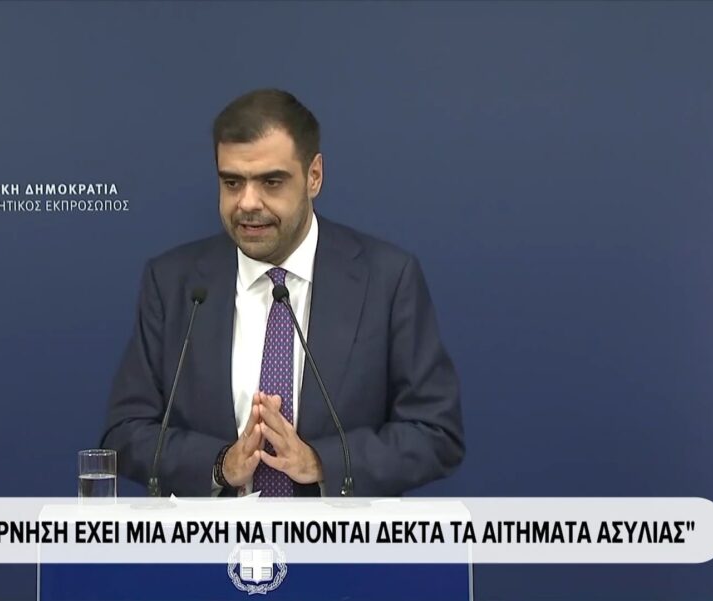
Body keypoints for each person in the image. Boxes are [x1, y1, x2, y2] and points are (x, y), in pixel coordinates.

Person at [100, 89, 463, 497]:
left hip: (341, 536)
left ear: (314, 176)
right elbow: (125, 433)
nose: (247, 203)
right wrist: (219, 465)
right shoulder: (174, 283)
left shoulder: (387, 279)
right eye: (232, 182)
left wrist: (323, 463)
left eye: (271, 182)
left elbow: (435, 433)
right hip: (211, 536)